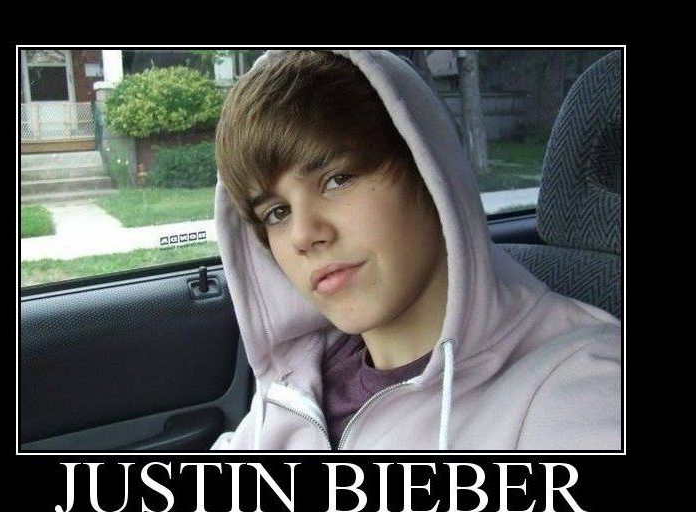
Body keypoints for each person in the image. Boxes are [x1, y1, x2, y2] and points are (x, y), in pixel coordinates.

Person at [211, 50, 621, 451]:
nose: (303, 235)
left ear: (428, 172)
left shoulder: (580, 386)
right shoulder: (296, 380)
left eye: (338, 180)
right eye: (277, 212)